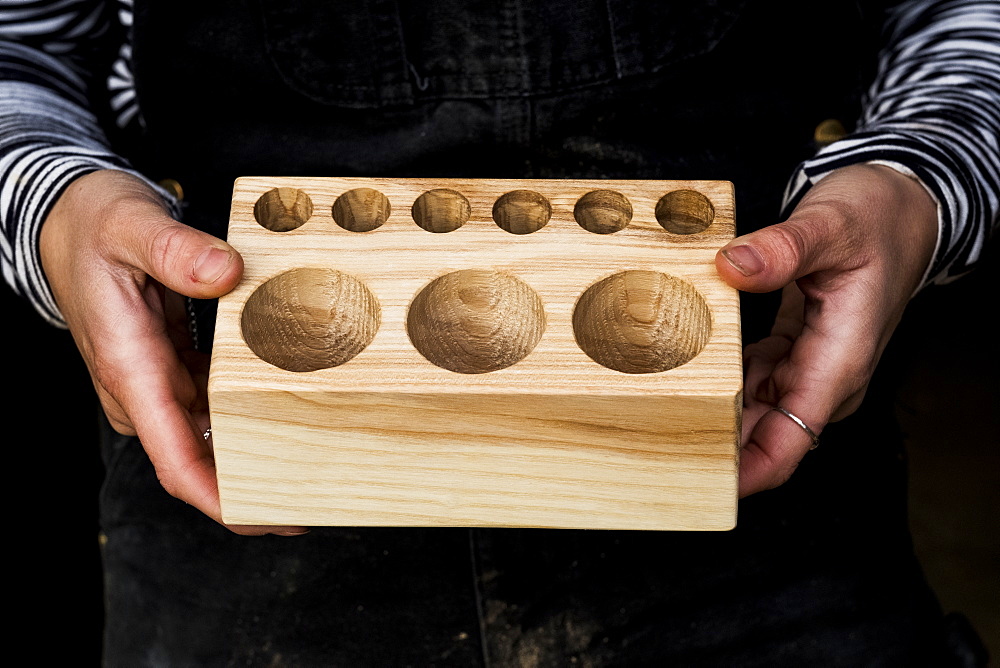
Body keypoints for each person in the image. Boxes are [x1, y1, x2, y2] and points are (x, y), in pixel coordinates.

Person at [2, 0, 998, 664]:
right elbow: (19, 41)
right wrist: (53, 204)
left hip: (759, 453)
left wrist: (922, 184)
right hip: (245, 507)